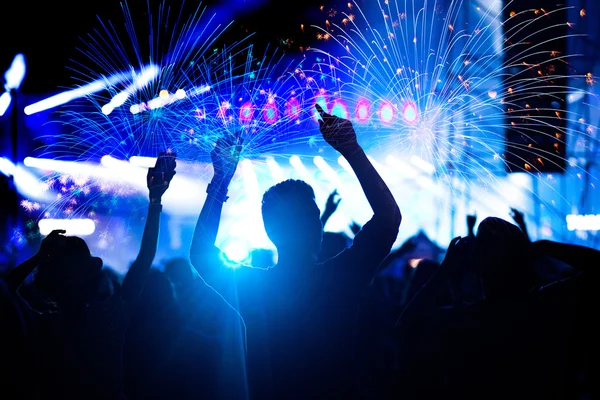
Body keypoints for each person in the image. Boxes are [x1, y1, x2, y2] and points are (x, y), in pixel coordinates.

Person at [190, 105, 401, 399]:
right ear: (313, 226)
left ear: (271, 232)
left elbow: (200, 254)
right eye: (315, 215)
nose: (319, 222)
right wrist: (351, 151)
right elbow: (388, 219)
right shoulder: (340, 278)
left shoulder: (256, 289)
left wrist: (221, 179)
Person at [4, 152, 175, 400]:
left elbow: (5, 291)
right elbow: (145, 257)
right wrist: (155, 200)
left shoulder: (44, 324)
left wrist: (40, 257)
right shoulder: (111, 314)